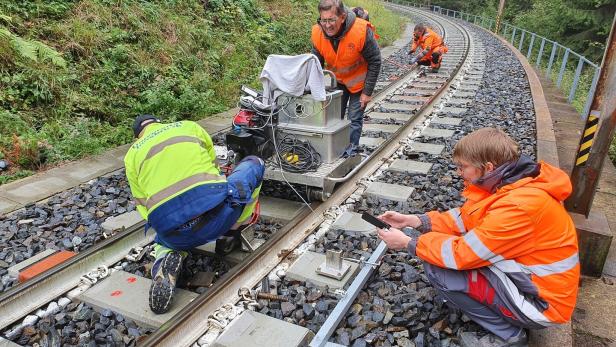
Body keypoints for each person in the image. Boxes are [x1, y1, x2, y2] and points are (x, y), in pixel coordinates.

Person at [376, 128, 579, 346]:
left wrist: (408, 242)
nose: (458, 172)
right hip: (533, 282)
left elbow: (461, 255)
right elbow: (464, 221)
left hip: (542, 304)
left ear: (488, 167)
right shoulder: (509, 185)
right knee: (441, 254)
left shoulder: (518, 206)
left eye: (462, 167)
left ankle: (509, 336)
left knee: (440, 270)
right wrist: (414, 220)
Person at [124, 115, 265, 314]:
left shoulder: (132, 154)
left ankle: (164, 260)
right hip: (219, 217)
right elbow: (214, 167)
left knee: (164, 240)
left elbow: (143, 207)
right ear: (160, 122)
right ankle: (234, 231)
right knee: (255, 163)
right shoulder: (188, 127)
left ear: (138, 136)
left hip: (175, 234)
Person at [311, 0, 381, 157]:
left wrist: (367, 92)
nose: (327, 25)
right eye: (324, 20)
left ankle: (351, 151)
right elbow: (315, 62)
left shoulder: (361, 31)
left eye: (331, 20)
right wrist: (313, 87)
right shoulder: (318, 32)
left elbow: (375, 61)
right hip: (337, 82)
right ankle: (333, 150)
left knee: (354, 119)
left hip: (359, 84)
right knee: (334, 118)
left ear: (342, 17)